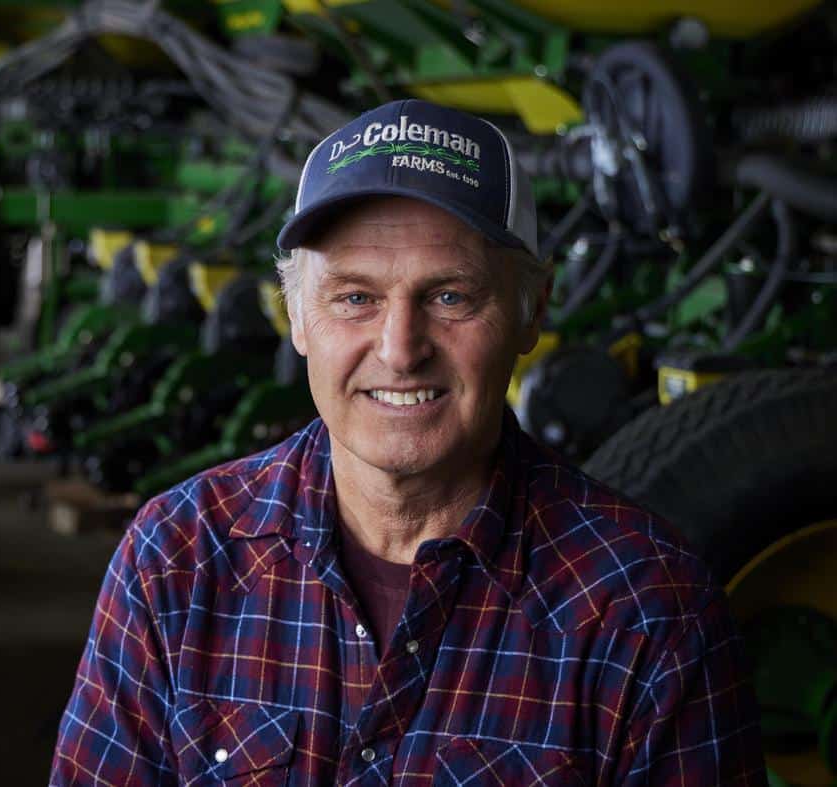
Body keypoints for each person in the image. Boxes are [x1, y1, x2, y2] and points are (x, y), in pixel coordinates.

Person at [50, 100, 766, 785]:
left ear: (531, 312)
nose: (399, 349)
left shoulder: (646, 609)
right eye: (355, 297)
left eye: (450, 296)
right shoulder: (176, 559)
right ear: (297, 318)